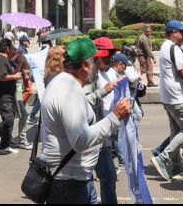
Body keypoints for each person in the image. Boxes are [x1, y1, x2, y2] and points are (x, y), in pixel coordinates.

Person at [38, 37, 132, 204]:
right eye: (95, 62)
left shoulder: (63, 82)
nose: (98, 68)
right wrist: (115, 116)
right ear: (85, 65)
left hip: (75, 178)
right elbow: (80, 140)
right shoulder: (70, 91)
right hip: (68, 183)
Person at [151, 20, 183, 181]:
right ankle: (162, 158)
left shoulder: (164, 46)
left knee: (176, 131)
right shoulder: (174, 49)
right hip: (177, 96)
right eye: (182, 32)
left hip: (167, 96)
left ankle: (176, 167)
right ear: (174, 32)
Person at [88, 37, 123, 204]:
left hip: (103, 137)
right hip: (89, 137)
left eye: (111, 55)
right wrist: (103, 91)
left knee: (109, 177)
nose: (110, 59)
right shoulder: (87, 75)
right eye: (106, 56)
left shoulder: (109, 72)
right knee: (87, 181)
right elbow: (81, 102)